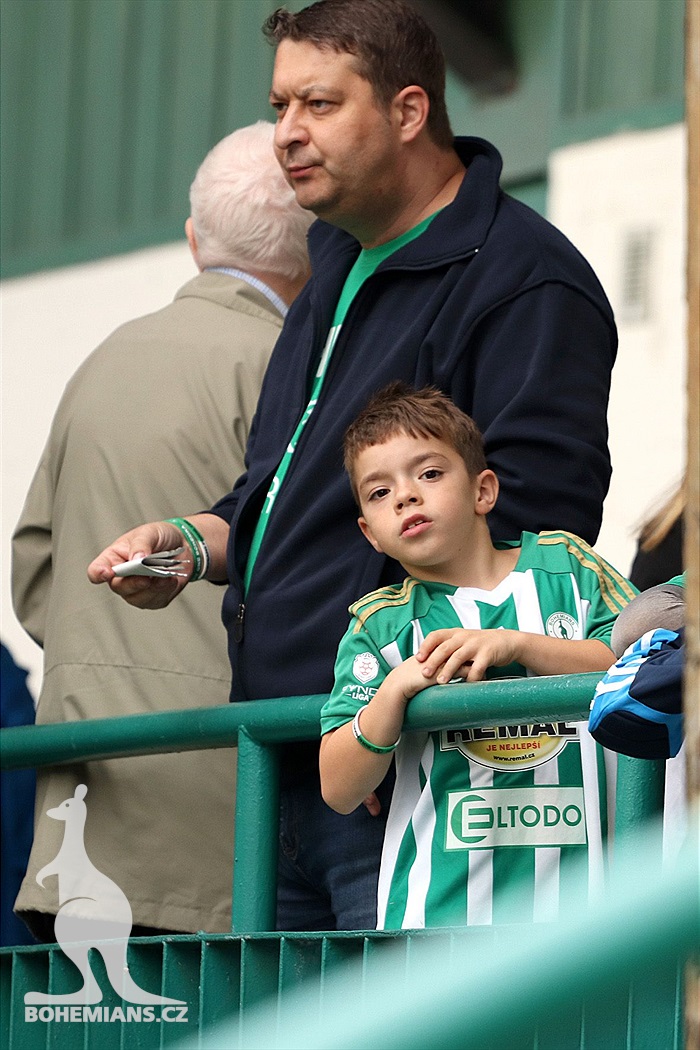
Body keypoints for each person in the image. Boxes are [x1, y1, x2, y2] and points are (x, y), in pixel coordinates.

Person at [88, 0, 618, 931]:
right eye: (280, 103)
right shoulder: (333, 252)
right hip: (288, 757)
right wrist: (197, 543)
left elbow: (538, 527)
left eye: (319, 105)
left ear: (409, 111)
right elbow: (288, 491)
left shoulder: (528, 280)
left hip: (408, 773)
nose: (286, 133)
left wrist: (390, 714)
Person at [11, 121, 312, 940]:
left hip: (86, 804)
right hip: (229, 828)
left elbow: (37, 576)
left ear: (192, 241)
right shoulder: (297, 369)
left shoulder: (102, 361)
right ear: (318, 248)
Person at [320, 383, 635, 929]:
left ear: (483, 490)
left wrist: (519, 645)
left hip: (589, 921)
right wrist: (393, 692)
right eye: (379, 492)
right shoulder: (379, 625)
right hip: (438, 923)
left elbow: (645, 659)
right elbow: (339, 789)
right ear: (371, 535)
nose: (405, 497)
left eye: (430, 473)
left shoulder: (569, 568)